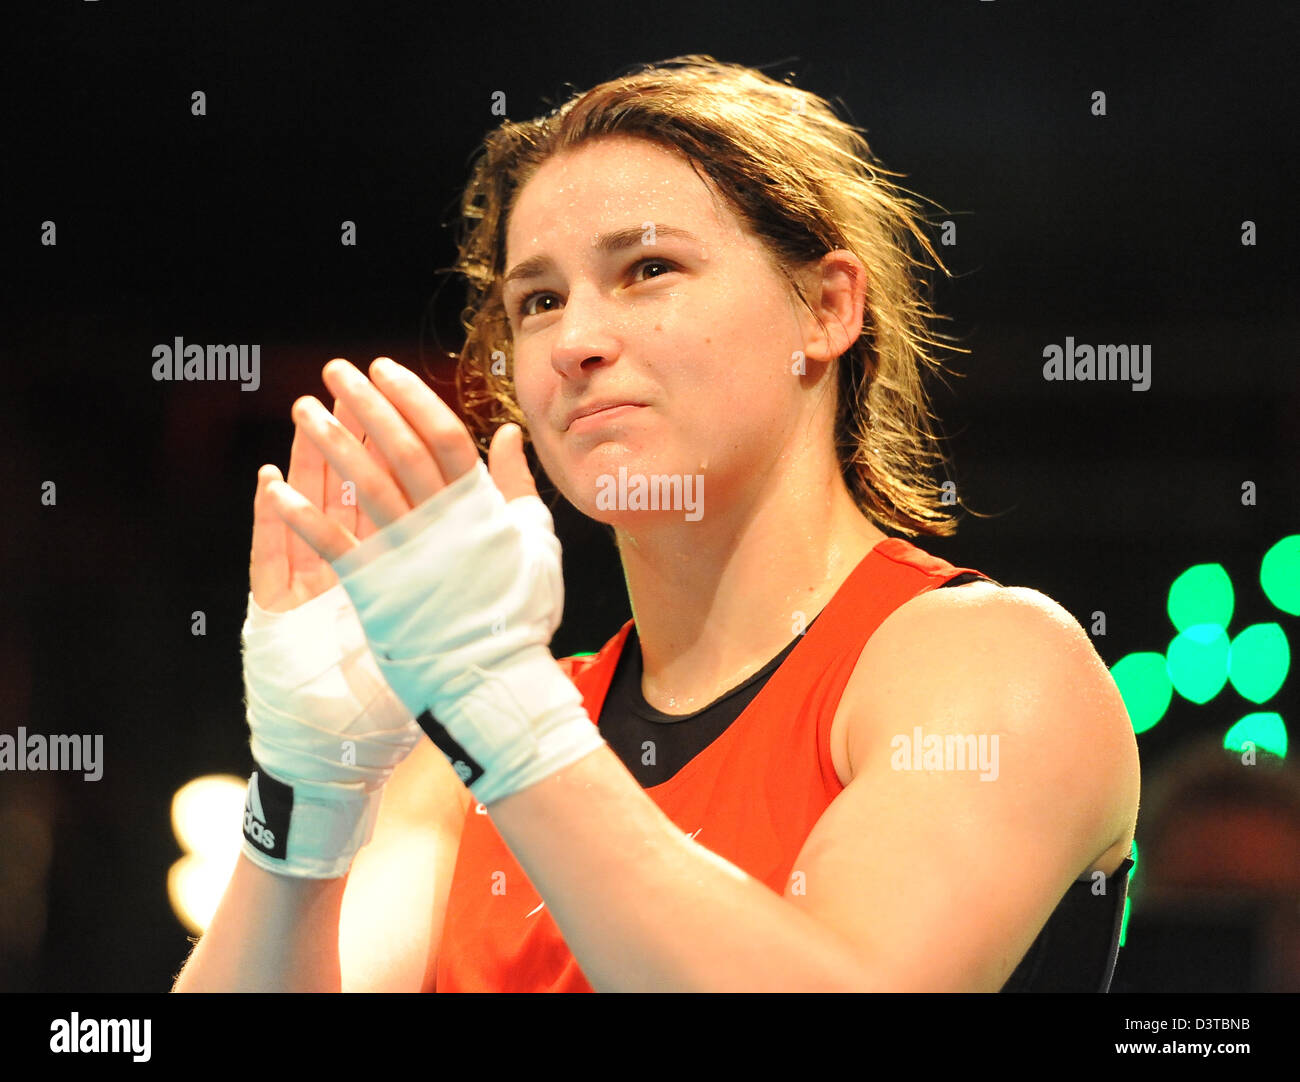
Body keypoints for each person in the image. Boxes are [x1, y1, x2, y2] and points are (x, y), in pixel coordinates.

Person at [172, 55, 1140, 993]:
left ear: (827, 305)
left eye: (646, 267)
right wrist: (305, 799)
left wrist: (502, 713)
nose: (578, 341)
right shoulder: (466, 758)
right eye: (538, 301)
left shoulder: (995, 664)